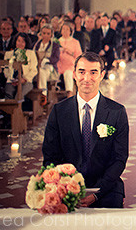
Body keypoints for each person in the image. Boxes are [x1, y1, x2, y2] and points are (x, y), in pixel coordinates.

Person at [42, 52, 129, 208]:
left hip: (105, 187)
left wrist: (97, 194)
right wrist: (66, 187)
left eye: (93, 72)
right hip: (66, 186)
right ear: (74, 74)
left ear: (102, 75)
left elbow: (119, 159)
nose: (87, 78)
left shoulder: (117, 112)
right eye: (82, 72)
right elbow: (50, 156)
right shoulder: (59, 111)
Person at [3, 33, 38, 99]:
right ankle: (9, 109)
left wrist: (24, 79)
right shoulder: (8, 54)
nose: (20, 43)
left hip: (26, 81)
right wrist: (12, 79)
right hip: (12, 81)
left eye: (23, 41)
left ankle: (18, 108)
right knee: (8, 94)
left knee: (19, 95)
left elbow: (34, 70)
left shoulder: (31, 53)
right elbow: (6, 70)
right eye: (19, 41)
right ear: (15, 41)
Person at [34, 25, 61, 100]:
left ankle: (43, 94)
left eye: (48, 34)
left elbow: (56, 58)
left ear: (51, 35)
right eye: (44, 33)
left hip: (49, 68)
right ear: (41, 34)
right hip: (36, 67)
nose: (46, 35)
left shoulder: (55, 45)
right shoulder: (37, 44)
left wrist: (46, 60)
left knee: (42, 72)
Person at [57, 21, 83, 97]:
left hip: (70, 65)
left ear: (70, 31)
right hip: (59, 65)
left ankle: (70, 94)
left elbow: (79, 56)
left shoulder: (75, 42)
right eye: (63, 29)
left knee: (68, 74)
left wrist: (70, 52)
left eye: (67, 29)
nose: (65, 31)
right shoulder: (57, 41)